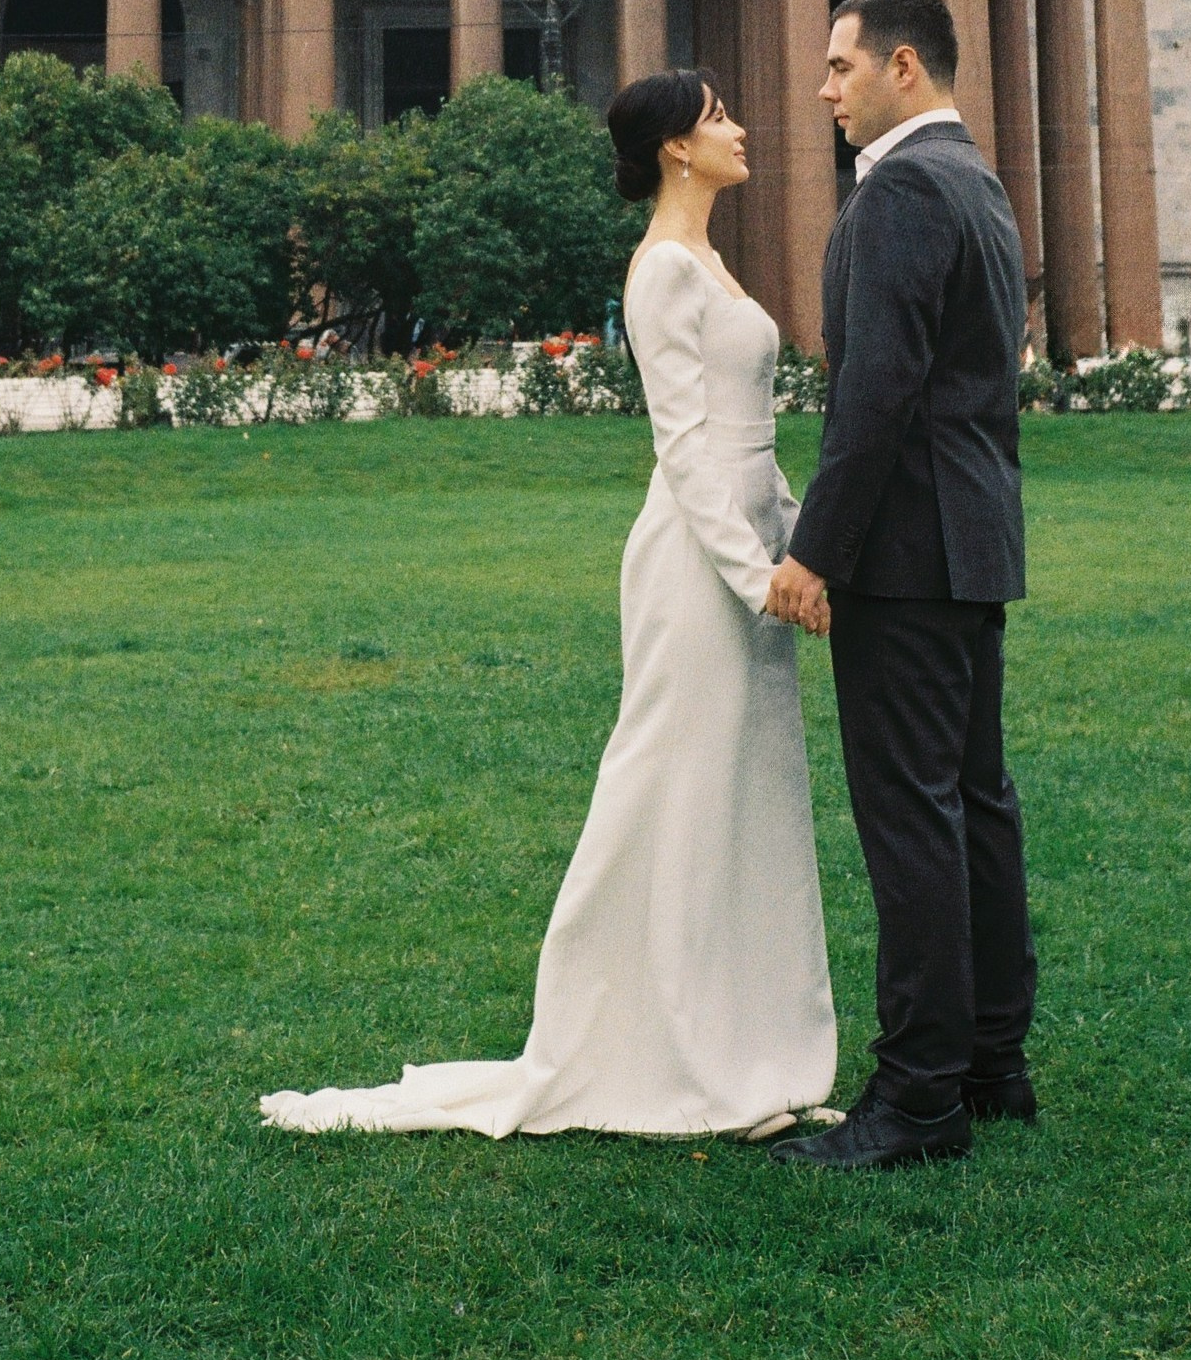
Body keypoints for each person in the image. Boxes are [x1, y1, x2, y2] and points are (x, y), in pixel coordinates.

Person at [261, 70, 838, 1141]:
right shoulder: (661, 270)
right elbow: (685, 447)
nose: (739, 127)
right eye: (717, 115)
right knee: (672, 794)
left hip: (755, 546)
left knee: (751, 801)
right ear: (674, 147)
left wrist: (803, 545)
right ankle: (676, 1057)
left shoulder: (710, 258)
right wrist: (751, 573)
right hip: (697, 567)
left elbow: (750, 441)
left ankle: (760, 1056)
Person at [766, 0, 1036, 1173]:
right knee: (973, 803)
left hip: (911, 552)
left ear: (904, 65)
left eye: (842, 66)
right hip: (971, 543)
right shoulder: (976, 179)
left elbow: (875, 394)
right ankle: (989, 1063)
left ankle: (920, 1097)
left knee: (913, 815)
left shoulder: (903, 190)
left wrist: (815, 551)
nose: (826, 88)